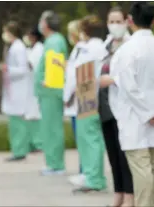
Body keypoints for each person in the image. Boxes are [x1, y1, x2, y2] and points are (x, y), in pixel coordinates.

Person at [109, 2, 154, 206]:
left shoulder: (126, 50)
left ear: (130, 20)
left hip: (136, 118)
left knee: (142, 169)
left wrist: (148, 114)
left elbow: (128, 87)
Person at [68, 14, 108, 193]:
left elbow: (76, 74)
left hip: (87, 95)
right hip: (93, 94)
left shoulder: (87, 49)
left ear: (84, 31)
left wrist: (68, 95)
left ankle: (94, 178)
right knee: (91, 138)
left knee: (89, 138)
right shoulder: (101, 47)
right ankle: (93, 176)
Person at [99, 6, 133, 207]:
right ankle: (118, 194)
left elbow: (132, 75)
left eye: (118, 21)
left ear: (126, 22)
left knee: (124, 154)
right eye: (111, 21)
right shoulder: (105, 46)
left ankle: (130, 196)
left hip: (123, 106)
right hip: (105, 106)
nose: (115, 26)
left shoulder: (131, 45)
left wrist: (112, 80)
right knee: (112, 153)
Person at [35, 10, 68, 175]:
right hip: (48, 92)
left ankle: (56, 164)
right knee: (49, 127)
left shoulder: (54, 41)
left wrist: (47, 82)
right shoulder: (52, 40)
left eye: (41, 20)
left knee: (52, 128)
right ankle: (52, 163)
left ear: (46, 24)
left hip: (51, 91)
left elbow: (54, 66)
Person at [1, 21, 31, 162]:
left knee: (18, 123)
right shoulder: (13, 47)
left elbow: (22, 69)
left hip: (18, 89)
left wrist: (8, 70)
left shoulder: (19, 48)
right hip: (13, 89)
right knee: (14, 123)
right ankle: (17, 149)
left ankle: (20, 151)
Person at [64, 19, 87, 186]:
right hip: (76, 101)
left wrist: (67, 97)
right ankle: (82, 170)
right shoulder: (77, 51)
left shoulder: (82, 50)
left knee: (83, 139)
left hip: (77, 101)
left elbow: (74, 78)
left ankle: (85, 171)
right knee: (80, 139)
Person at [23, 27, 44, 153]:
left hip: (36, 85)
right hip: (28, 86)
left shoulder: (39, 49)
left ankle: (39, 143)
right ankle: (31, 142)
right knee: (30, 114)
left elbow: (32, 65)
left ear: (34, 37)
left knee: (36, 114)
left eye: (29, 35)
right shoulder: (29, 49)